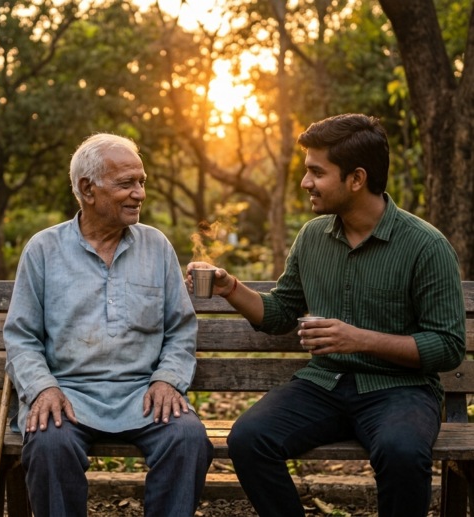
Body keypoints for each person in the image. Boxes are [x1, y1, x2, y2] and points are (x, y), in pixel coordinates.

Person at [187, 114, 466, 517]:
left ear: (356, 178)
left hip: (400, 390)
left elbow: (448, 346)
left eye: (317, 172)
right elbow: (281, 313)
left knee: (402, 453)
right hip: (323, 385)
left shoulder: (426, 246)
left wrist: (360, 339)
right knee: (248, 439)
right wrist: (231, 287)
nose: (305, 183)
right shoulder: (312, 237)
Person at [4, 134, 213, 517]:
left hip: (142, 395)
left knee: (187, 438)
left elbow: (180, 329)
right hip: (68, 394)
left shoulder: (156, 246)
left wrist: (167, 379)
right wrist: (43, 389)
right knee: (49, 444)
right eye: (126, 184)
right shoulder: (43, 250)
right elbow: (21, 337)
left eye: (141, 182)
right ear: (88, 189)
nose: (139, 194)